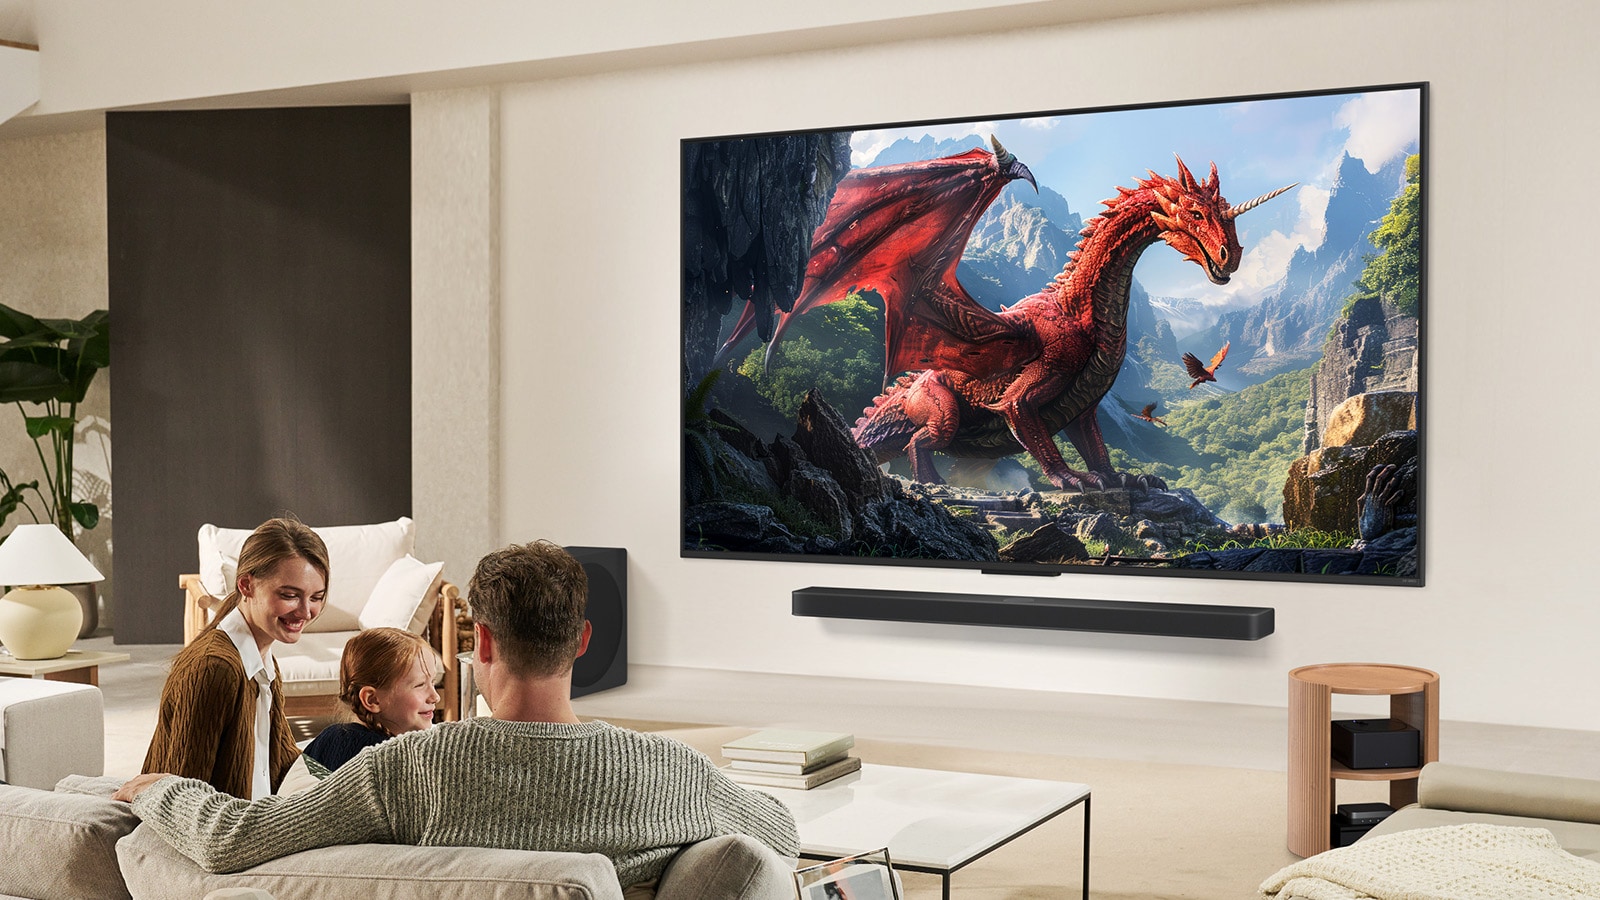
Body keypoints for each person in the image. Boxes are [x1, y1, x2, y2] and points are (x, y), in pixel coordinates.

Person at [117, 540, 798, 890]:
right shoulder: (673, 772)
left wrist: (159, 787)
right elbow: (783, 834)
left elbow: (238, 837)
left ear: (484, 643)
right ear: (585, 642)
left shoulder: (408, 766)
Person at [140, 517, 329, 799]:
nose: (305, 611)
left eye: (316, 597)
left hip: (254, 823)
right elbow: (183, 798)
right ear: (246, 585)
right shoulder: (212, 668)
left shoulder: (262, 660)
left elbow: (284, 759)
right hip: (223, 836)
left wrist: (341, 790)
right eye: (290, 595)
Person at [301, 627, 440, 775]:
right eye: (420, 685)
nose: (435, 697)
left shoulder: (329, 737)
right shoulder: (391, 760)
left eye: (433, 682)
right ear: (372, 700)